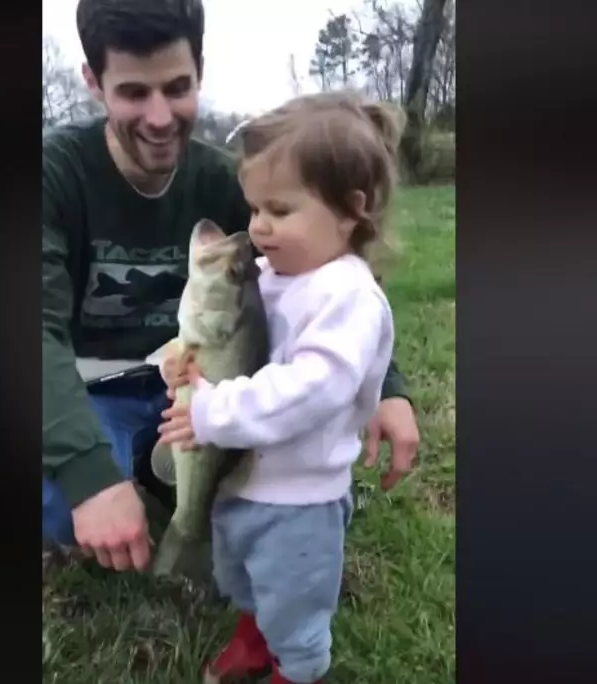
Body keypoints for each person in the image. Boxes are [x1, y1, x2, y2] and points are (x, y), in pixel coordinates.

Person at [42, 0, 420, 573]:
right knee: (59, 501)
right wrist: (87, 474)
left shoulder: (229, 182)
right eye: (134, 93)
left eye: (177, 86)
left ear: (200, 68)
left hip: (214, 386)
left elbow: (326, 263)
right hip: (101, 386)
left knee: (288, 509)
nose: (161, 116)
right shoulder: (55, 174)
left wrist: (388, 386)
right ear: (94, 82)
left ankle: (168, 481)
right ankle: (132, 469)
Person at [156, 91, 404, 684]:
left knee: (294, 606)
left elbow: (312, 387)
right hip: (241, 480)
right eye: (254, 208)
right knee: (242, 580)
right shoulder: (269, 273)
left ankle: (296, 669)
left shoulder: (349, 297)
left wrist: (215, 414)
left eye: (279, 210)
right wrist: (177, 364)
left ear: (350, 210)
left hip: (299, 504)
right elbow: (222, 340)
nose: (258, 227)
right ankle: (251, 637)